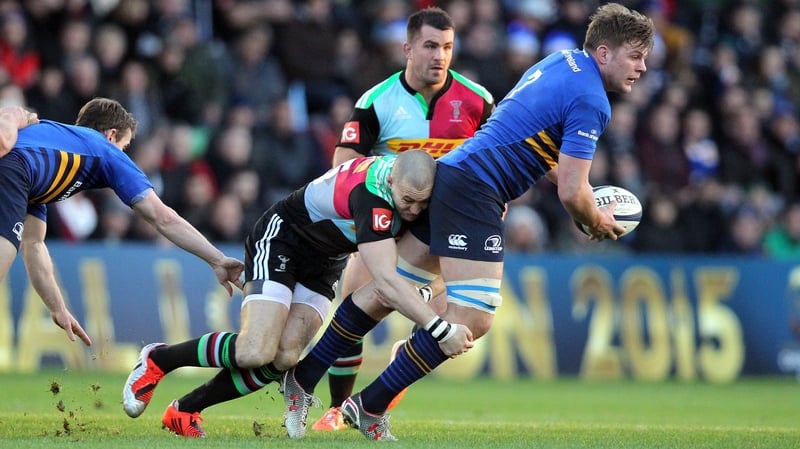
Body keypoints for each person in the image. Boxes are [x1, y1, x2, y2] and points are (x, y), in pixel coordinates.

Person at [281, 2, 655, 441]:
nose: (643, 67)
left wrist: (580, 200)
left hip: (456, 171)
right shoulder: (593, 100)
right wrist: (596, 221)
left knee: (387, 289)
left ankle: (303, 377)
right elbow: (573, 191)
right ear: (605, 53)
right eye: (636, 56)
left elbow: (529, 142)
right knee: (474, 317)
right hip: (476, 190)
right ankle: (369, 405)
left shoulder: (562, 61)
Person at [121, 149, 472, 438]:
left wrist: (425, 288)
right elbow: (386, 281)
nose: (413, 210)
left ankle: (184, 410)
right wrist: (440, 328)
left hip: (326, 260)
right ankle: (159, 359)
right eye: (408, 201)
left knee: (286, 356)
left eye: (421, 205)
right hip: (283, 239)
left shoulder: (407, 187)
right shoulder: (373, 195)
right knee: (254, 350)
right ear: (392, 180)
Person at [312, 6, 494, 432]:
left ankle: (391, 376)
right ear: (408, 47)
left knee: (466, 321)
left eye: (447, 47)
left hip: (447, 231)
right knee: (354, 312)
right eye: (431, 46)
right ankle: (339, 409)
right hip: (388, 226)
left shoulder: (477, 100)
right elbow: (344, 162)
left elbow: (497, 155)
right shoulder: (377, 101)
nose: (439, 56)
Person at [0, 98, 244, 347]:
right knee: (5, 248)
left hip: (13, 168)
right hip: (11, 168)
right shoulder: (104, 151)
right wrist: (216, 258)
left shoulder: (46, 165)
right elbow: (163, 217)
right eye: (124, 147)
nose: (122, 155)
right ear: (111, 135)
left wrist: (58, 308)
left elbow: (34, 244)